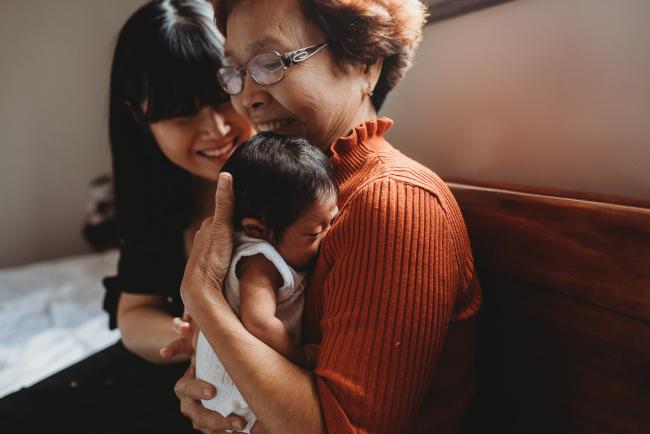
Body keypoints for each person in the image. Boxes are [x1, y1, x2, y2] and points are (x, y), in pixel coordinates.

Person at [168, 0, 482, 433]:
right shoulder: (291, 194)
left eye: (270, 63)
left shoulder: (395, 203)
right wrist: (214, 386)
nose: (247, 97)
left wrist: (202, 299)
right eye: (236, 71)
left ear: (366, 62)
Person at [0, 1, 254, 433]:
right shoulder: (159, 188)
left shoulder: (288, 179)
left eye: (222, 98)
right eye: (182, 114)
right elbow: (134, 315)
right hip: (173, 369)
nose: (216, 129)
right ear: (140, 115)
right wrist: (190, 339)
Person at [194, 132, 338, 433]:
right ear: (257, 230)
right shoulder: (261, 261)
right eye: (313, 234)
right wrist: (296, 355)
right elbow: (258, 321)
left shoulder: (271, 248)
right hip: (237, 390)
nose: (327, 238)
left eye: (332, 223)